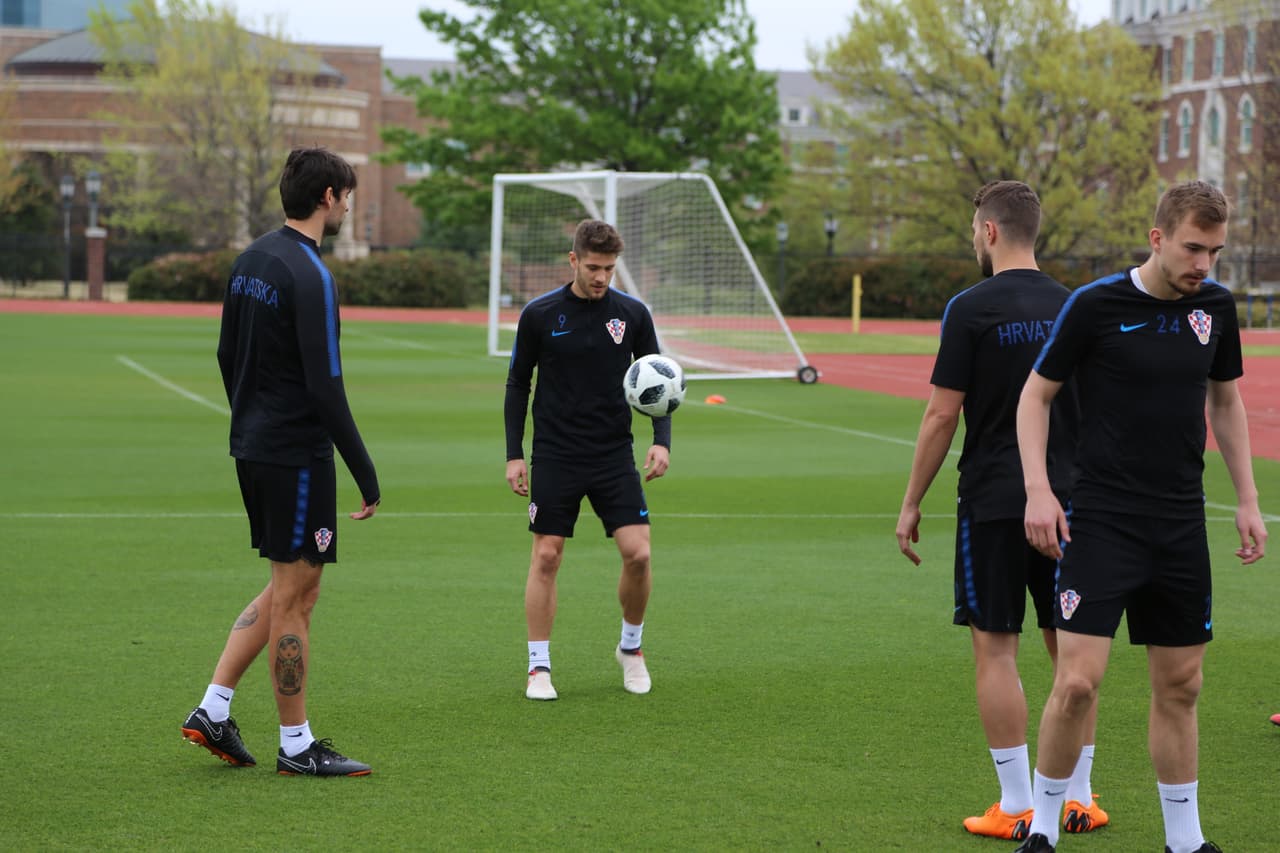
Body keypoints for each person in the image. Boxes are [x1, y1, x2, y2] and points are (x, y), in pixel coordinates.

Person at [1014, 180, 1268, 853]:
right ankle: (1042, 828)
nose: (1204, 264)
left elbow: (1226, 403)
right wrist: (1039, 490)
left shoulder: (1215, 306)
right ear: (1157, 238)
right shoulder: (1094, 306)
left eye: (1214, 250)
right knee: (1075, 682)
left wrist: (1246, 499)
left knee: (1182, 684)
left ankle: (1184, 840)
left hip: (1180, 523)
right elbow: (1034, 398)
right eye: (1192, 247)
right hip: (1099, 520)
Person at [895, 181, 1105, 841]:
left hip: (993, 500)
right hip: (1074, 500)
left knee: (996, 647)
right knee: (1070, 653)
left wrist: (910, 500)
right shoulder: (1080, 305)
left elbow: (940, 413)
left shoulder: (969, 307)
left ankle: (1016, 801)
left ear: (988, 231)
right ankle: (1080, 797)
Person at [180, 147, 381, 777]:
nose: (348, 205)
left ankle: (213, 707)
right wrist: (364, 469)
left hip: (255, 445)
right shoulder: (310, 273)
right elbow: (326, 386)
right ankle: (296, 746)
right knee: (298, 598)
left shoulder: (251, 260)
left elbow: (223, 354)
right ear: (327, 196)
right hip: (295, 456)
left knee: (285, 584)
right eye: (346, 195)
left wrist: (251, 417)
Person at [504, 219, 671, 701]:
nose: (601, 278)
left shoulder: (633, 315)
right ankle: (539, 668)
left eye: (610, 269)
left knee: (638, 554)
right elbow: (518, 384)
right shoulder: (539, 314)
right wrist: (514, 454)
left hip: (612, 453)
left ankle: (631, 650)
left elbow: (657, 380)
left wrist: (661, 440)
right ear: (573, 260)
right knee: (547, 555)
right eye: (594, 267)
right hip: (555, 453)